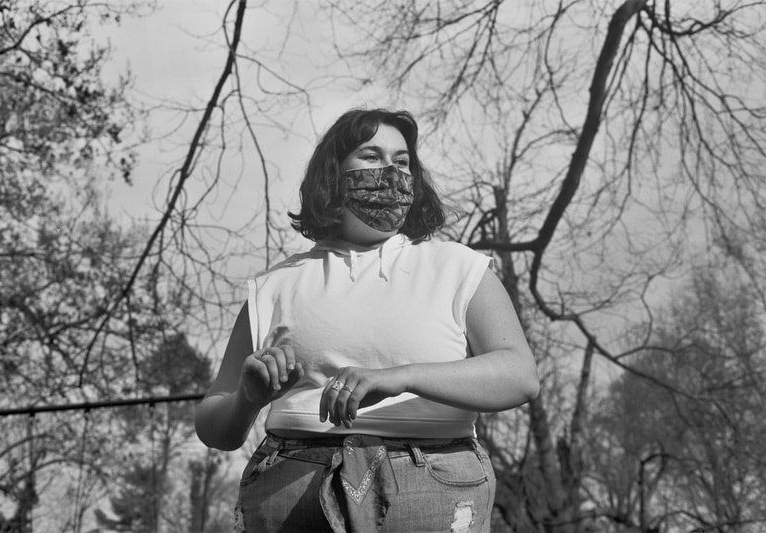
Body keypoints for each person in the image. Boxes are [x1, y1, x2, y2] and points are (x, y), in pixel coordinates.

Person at [195, 108, 539, 532]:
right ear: (332, 173)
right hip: (290, 487)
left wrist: (401, 377)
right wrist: (248, 398)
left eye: (401, 162)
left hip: (436, 479)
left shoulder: (458, 268)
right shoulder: (273, 286)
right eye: (371, 157)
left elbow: (520, 376)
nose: (390, 172)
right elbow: (215, 428)